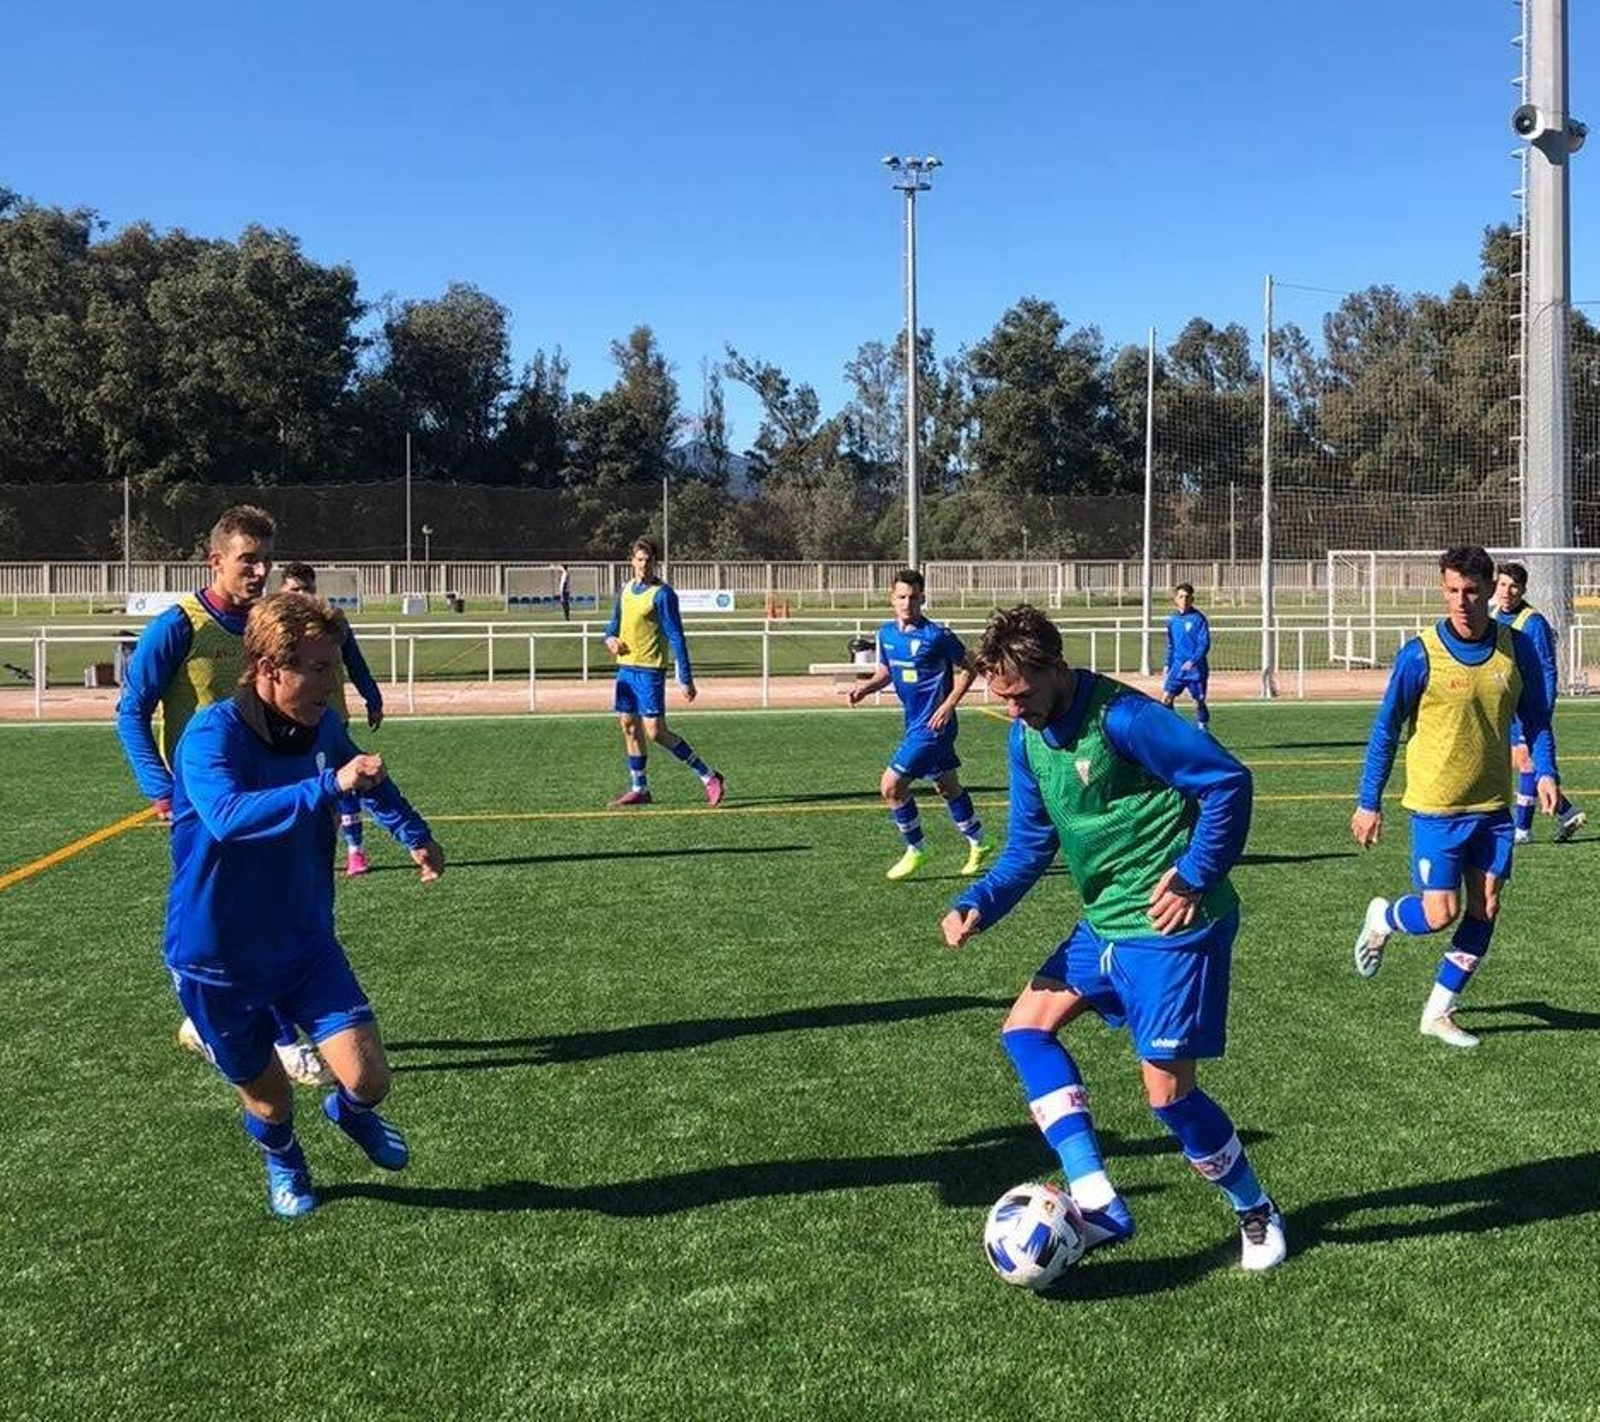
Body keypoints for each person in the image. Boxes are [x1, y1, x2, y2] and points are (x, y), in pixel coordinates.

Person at [941, 604, 1285, 1272]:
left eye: (1020, 695)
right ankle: (1098, 1200)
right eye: (1001, 698)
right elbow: (1031, 844)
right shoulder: (1027, 739)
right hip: (1103, 923)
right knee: (1025, 1030)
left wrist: (1193, 875)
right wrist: (979, 901)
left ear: (1054, 669)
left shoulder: (1123, 719)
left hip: (1170, 930)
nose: (1013, 711)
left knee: (1169, 1098)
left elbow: (1227, 782)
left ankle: (1256, 1209)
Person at [165, 591, 444, 1218]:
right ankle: (285, 1159)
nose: (332, 681)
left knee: (370, 1079)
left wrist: (414, 834)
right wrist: (327, 785)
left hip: (302, 940)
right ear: (268, 667)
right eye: (318, 668)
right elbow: (228, 818)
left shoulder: (322, 726)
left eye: (335, 667)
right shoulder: (212, 736)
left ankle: (346, 1113)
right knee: (269, 1101)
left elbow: (364, 773)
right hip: (217, 957)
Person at [115, 505, 329, 1086]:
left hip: (269, 793)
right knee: (230, 919)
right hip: (206, 806)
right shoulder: (180, 625)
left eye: (266, 560)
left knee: (273, 912)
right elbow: (131, 710)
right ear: (216, 561)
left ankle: (210, 1019)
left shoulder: (268, 623)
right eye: (247, 560)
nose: (259, 572)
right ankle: (281, 1041)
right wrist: (160, 787)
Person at [1351, 546, 1560, 1049]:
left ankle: (1438, 1011)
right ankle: (1383, 917)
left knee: (1486, 906)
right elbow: (1386, 729)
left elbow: (1535, 718)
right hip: (1437, 807)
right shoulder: (1420, 653)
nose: (1461, 601)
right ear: (1442, 590)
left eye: (1471, 591)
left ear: (1491, 590)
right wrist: (1368, 800)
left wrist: (1547, 771)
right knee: (1439, 914)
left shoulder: (1518, 647)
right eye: (1451, 591)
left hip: (1493, 808)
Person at [845, 569, 991, 880]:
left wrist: (949, 705)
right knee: (947, 786)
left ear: (922, 598)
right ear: (891, 598)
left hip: (934, 727)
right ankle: (979, 841)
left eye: (913, 597)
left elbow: (971, 668)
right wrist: (864, 688)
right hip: (914, 723)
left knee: (891, 786)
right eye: (901, 597)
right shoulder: (886, 634)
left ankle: (916, 849)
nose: (907, 603)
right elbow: (885, 672)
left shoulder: (937, 636)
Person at [278, 562, 384, 876]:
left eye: (307, 589)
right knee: (293, 784)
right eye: (294, 589)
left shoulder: (333, 623)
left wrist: (372, 699)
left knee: (345, 782)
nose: (301, 595)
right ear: (283, 590)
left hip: (330, 717)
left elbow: (356, 663)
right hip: (285, 719)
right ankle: (293, 851)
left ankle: (355, 852)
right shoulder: (272, 624)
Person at [603, 537, 725, 807]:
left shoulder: (663, 594)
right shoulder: (626, 590)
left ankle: (709, 776)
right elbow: (612, 626)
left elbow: (676, 636)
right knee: (628, 726)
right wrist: (610, 639)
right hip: (626, 670)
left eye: (649, 560)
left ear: (656, 563)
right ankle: (640, 788)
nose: (644, 565)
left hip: (649, 671)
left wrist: (686, 679)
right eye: (639, 559)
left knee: (656, 732)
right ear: (631, 561)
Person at [1494, 561, 1585, 845]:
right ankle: (1567, 811)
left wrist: (1543, 710)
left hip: (1528, 704)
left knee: (1525, 760)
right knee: (1517, 760)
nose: (1507, 592)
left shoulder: (1533, 623)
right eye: (1502, 585)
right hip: (1505, 705)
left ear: (1523, 590)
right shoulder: (1494, 615)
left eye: (1513, 587)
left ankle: (1522, 829)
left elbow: (1547, 669)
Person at [1161, 583, 1211, 733]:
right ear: (1175, 599)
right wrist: (1167, 663)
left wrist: (1193, 661)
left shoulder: (1199, 619)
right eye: (1181, 596)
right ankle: (1172, 729)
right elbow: (1171, 644)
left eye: (1187, 597)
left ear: (1192, 599)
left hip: (1195, 670)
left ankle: (1203, 729)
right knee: (1165, 700)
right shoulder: (1172, 620)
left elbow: (1204, 644)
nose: (1184, 600)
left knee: (1198, 702)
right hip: (1177, 667)